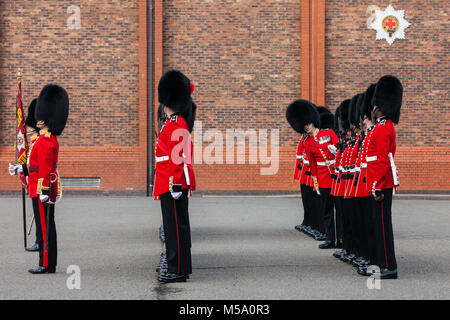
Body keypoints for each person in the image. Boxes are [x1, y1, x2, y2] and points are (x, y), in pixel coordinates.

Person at [153, 70, 196, 283]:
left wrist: (177, 184)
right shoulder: (171, 123)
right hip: (167, 181)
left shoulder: (177, 123)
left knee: (176, 227)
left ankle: (177, 268)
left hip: (173, 182)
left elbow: (181, 157)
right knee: (173, 226)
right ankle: (176, 264)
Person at [363, 75, 402, 279]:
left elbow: (382, 160)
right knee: (378, 226)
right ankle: (380, 262)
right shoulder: (381, 126)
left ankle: (389, 266)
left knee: (383, 226)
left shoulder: (384, 127)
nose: (375, 108)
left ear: (382, 107)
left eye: (377, 105)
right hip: (378, 181)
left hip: (382, 183)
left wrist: (376, 185)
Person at [28, 84, 68, 274]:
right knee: (47, 226)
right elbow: (37, 165)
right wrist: (22, 168)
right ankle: (48, 262)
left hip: (41, 189)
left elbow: (44, 169)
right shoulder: (44, 139)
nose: (37, 120)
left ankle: (46, 263)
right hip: (40, 187)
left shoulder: (45, 141)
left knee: (45, 228)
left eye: (40, 116)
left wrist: (43, 191)